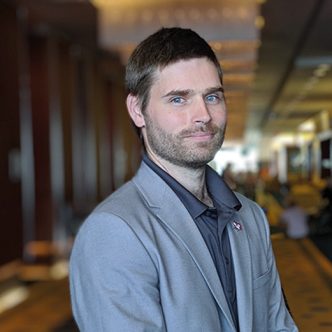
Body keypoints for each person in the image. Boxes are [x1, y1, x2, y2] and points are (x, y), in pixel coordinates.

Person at [69, 27, 298, 331]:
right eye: (179, 99)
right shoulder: (114, 231)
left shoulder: (252, 217)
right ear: (138, 111)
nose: (203, 114)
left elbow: (278, 325)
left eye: (212, 96)